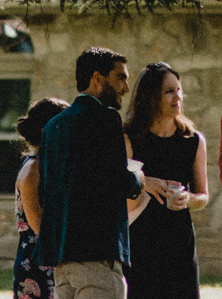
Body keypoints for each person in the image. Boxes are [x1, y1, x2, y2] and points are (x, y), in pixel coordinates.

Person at [43, 48, 166, 299]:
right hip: (97, 253)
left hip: (61, 260)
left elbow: (45, 192)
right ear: (98, 78)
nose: (126, 88)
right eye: (120, 78)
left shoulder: (53, 126)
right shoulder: (106, 118)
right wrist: (139, 181)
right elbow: (118, 181)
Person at [129, 64, 209, 299]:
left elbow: (202, 196)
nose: (178, 97)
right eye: (169, 92)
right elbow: (117, 189)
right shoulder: (131, 138)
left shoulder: (193, 140)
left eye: (179, 90)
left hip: (179, 244)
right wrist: (144, 182)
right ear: (150, 97)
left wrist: (188, 199)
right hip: (140, 243)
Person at [15, 97, 70, 299]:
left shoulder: (49, 165)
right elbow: (38, 223)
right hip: (36, 265)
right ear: (45, 129)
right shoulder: (33, 169)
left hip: (53, 259)